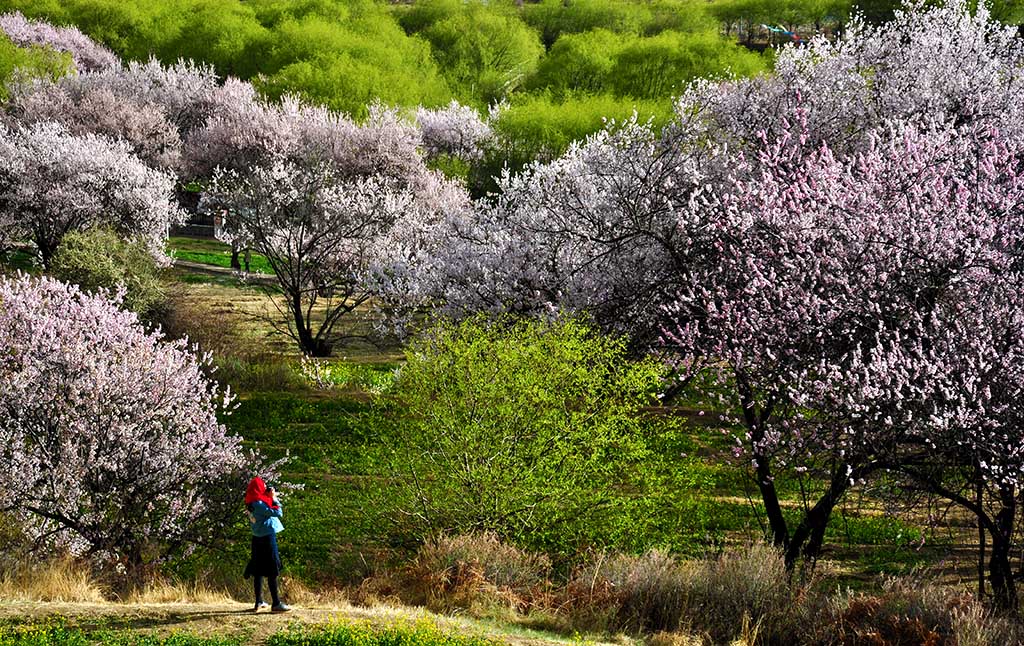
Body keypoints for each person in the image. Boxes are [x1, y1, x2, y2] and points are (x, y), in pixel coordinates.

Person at [243, 476, 290, 613]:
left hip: (256, 538)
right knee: (272, 569)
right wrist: (274, 497)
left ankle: (258, 602)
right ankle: (276, 603)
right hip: (267, 538)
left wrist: (267, 497)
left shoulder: (250, 502)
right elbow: (278, 512)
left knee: (258, 570)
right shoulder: (259, 504)